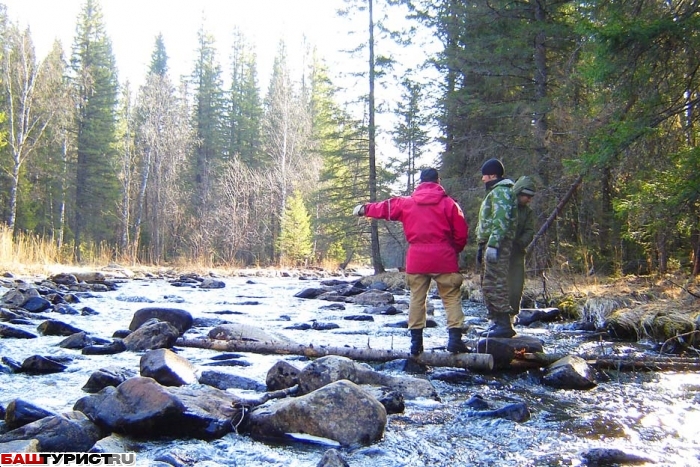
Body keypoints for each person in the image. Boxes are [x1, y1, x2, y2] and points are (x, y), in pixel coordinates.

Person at [352, 168, 469, 355]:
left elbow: (385, 207)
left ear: (420, 182)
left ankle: (416, 345)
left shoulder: (407, 203)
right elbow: (461, 233)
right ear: (438, 181)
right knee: (451, 297)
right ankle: (455, 340)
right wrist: (454, 250)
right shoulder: (450, 204)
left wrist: (364, 209)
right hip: (444, 258)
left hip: (417, 259)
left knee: (417, 298)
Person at [475, 158, 517, 338]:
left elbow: (501, 220)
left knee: (496, 283)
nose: (483, 179)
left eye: (484, 175)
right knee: (488, 283)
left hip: (497, 245)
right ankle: (495, 322)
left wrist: (493, 245)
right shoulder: (494, 192)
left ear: (492, 175)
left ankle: (504, 324)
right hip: (489, 243)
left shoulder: (501, 192)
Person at [508, 176, 536, 316]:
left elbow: (530, 231)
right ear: (519, 193)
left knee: (516, 285)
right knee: (499, 286)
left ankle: (512, 317)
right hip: (502, 252)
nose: (529, 200)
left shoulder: (528, 212)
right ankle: (497, 318)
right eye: (527, 196)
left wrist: (521, 243)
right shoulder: (505, 205)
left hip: (518, 252)